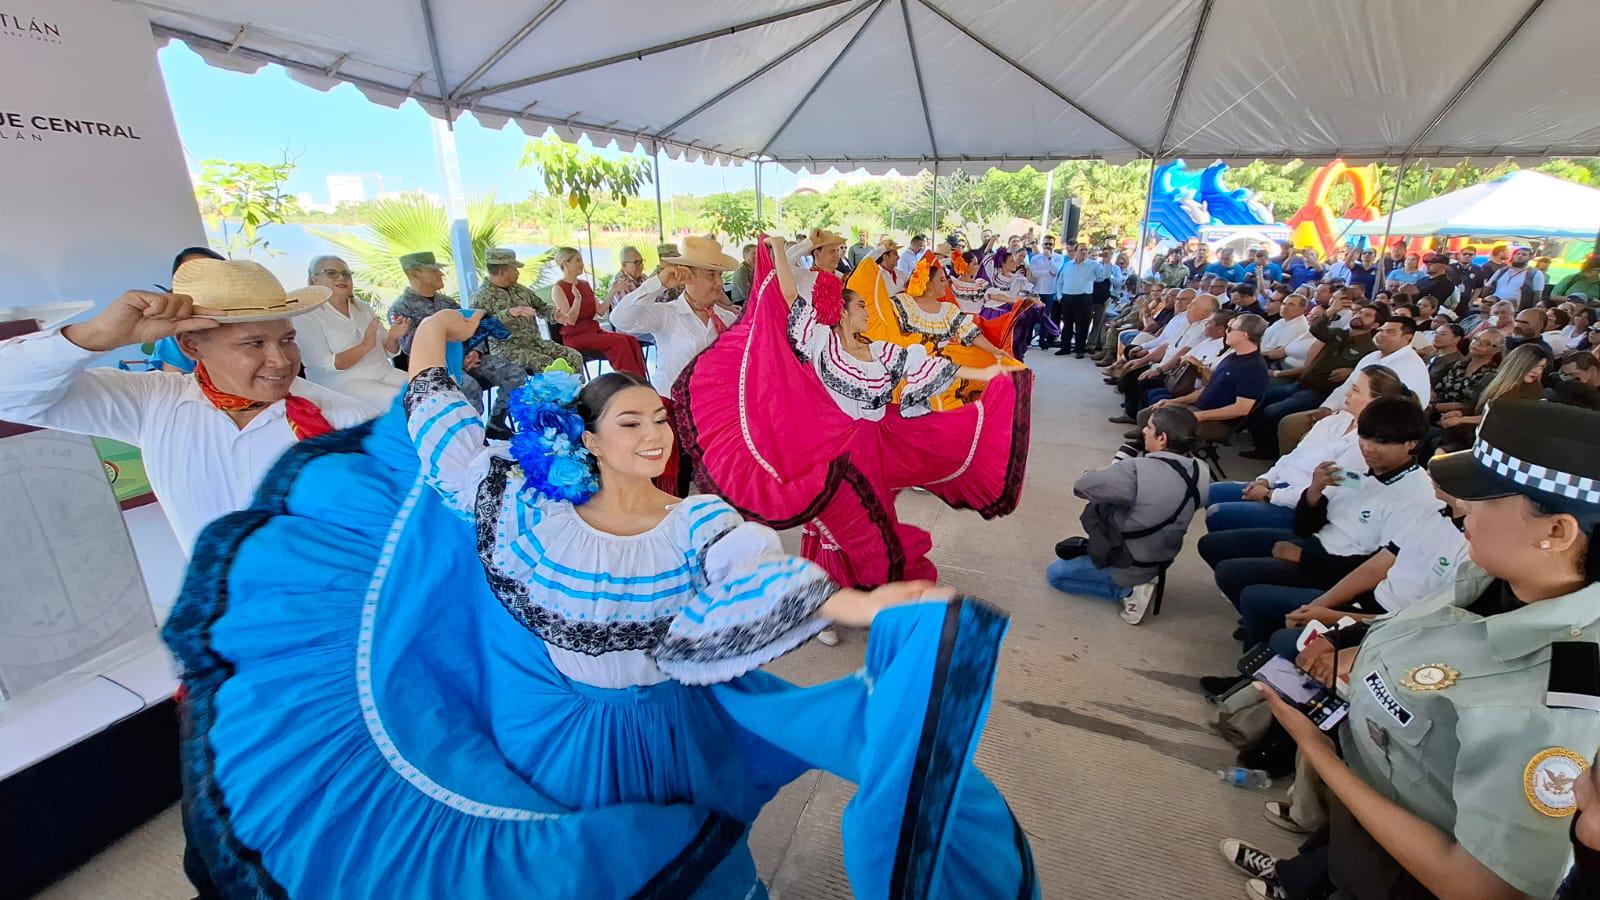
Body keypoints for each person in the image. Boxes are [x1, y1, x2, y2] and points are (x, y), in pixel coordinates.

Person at [164, 301, 1039, 898]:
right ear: (585, 436)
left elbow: (754, 575)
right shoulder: (526, 504)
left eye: (661, 420)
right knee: (579, 860)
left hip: (668, 721)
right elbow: (437, 417)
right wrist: (435, 328)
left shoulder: (698, 521)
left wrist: (860, 607)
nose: (656, 435)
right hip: (560, 729)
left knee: (706, 855)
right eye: (633, 423)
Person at [1238, 400, 1600, 900]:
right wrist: (1350, 643)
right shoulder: (1493, 578)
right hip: (1369, 810)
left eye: (1484, 497)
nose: (1461, 506)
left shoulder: (1553, 698)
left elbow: (1482, 886)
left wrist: (1322, 755)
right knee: (1325, 868)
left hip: (1401, 872)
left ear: (1556, 531)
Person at [675, 237, 1030, 599]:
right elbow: (787, 296)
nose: (869, 311)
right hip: (833, 453)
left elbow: (941, 367)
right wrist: (780, 251)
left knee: (876, 527)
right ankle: (826, 598)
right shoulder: (820, 341)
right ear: (842, 312)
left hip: (876, 449)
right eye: (862, 305)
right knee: (837, 529)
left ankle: (860, 593)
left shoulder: (881, 351)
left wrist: (992, 376)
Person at [0, 259, 372, 554]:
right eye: (254, 344)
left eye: (287, 340)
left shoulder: (345, 419)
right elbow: (10, 393)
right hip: (219, 629)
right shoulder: (154, 404)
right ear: (193, 347)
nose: (280, 360)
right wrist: (97, 335)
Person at [1199, 395, 1438, 611]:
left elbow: (1378, 566)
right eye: (1364, 437)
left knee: (1235, 577)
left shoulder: (1414, 495)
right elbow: (1307, 525)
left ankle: (1271, 624)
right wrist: (1314, 490)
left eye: (1382, 441)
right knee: (1212, 544)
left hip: (1334, 570)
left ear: (1411, 444)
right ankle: (1260, 614)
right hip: (1314, 543)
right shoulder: (1361, 474)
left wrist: (1303, 558)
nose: (1368, 447)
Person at [1048, 405, 1209, 625]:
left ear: (1162, 438)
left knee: (1056, 575)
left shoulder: (1137, 470)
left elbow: (1083, 486)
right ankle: (1137, 582)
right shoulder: (1201, 469)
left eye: (1149, 427)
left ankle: (1128, 592)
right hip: (1163, 555)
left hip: (1129, 562)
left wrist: (1116, 467)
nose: (1143, 431)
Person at [1206, 366, 1411, 534]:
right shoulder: (1336, 420)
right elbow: (1294, 456)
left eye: (1356, 389)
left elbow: (1328, 491)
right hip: (1278, 485)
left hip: (1300, 507)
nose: (1347, 392)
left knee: (1219, 513)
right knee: (1207, 492)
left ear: (1376, 401)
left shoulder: (1369, 447)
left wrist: (1270, 495)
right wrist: (1265, 479)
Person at [854, 248, 1018, 412]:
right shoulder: (902, 302)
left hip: (944, 366)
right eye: (941, 280)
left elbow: (971, 334)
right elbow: (882, 317)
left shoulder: (948, 309)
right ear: (928, 283)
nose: (946, 284)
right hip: (912, 370)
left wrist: (994, 350)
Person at [388, 251, 525, 419]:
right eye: (433, 270)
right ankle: (471, 438)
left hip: (468, 358)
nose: (441, 273)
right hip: (437, 369)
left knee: (515, 373)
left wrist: (476, 351)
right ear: (413, 273)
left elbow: (473, 328)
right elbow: (412, 348)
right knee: (469, 387)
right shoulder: (401, 309)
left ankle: (497, 422)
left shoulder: (447, 303)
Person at [295, 255, 408, 412]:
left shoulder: (363, 307)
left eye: (346, 273)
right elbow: (327, 365)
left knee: (434, 391)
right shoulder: (305, 314)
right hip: (342, 382)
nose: (342, 277)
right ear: (315, 279)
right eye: (331, 273)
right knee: (407, 403)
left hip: (384, 372)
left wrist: (394, 337)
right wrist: (366, 345)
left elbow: (389, 351)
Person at [1135, 314, 1270, 441]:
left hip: (1216, 422)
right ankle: (1145, 443)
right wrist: (1175, 401)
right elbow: (1209, 388)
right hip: (1199, 409)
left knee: (1159, 423)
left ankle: (1148, 449)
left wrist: (1199, 416)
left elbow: (1242, 408)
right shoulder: (1232, 357)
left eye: (1230, 329)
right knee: (1147, 414)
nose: (1226, 332)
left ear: (1244, 335)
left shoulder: (1254, 368)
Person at [469, 247, 585, 376]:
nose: (518, 272)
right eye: (514, 269)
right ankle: (554, 395)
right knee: (547, 364)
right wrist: (510, 313)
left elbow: (541, 306)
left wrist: (554, 314)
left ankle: (578, 394)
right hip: (507, 349)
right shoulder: (481, 297)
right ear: (503, 271)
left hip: (535, 343)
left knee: (574, 356)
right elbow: (477, 327)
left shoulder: (520, 290)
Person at [549, 246, 649, 379]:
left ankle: (642, 381)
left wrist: (613, 291)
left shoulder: (584, 284)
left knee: (630, 340)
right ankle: (629, 382)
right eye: (577, 260)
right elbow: (569, 320)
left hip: (594, 330)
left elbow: (600, 311)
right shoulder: (558, 288)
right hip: (575, 336)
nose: (582, 264)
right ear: (566, 263)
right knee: (619, 343)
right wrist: (577, 300)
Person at [1437, 342, 1549, 451]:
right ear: (1519, 364)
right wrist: (1459, 413)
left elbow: (1504, 418)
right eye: (1533, 366)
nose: (1537, 371)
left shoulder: (1534, 391)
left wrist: (1462, 420)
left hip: (1501, 442)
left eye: (1541, 367)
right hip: (1475, 433)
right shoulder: (1490, 378)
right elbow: (1475, 406)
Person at [148, 246, 226, 373]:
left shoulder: (255, 317)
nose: (202, 280)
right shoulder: (174, 333)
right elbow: (176, 385)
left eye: (209, 271)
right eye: (191, 274)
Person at [1054, 243, 1108, 358]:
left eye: (1086, 250)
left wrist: (1107, 262)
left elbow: (1102, 277)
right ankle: (1065, 347)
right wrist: (1059, 296)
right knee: (1067, 324)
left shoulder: (1094, 265)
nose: (1083, 252)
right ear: (1076, 251)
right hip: (1067, 297)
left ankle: (1080, 350)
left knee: (1082, 325)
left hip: (1084, 298)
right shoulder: (1068, 265)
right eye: (1081, 249)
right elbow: (1060, 281)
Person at [1481, 246, 1547, 309]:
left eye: (1524, 254)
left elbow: (1537, 295)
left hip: (1516, 310)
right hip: (1495, 307)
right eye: (1517, 254)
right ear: (1513, 255)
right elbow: (1487, 287)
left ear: (1530, 258)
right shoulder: (1502, 271)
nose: (1520, 256)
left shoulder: (1535, 274)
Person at [1028, 235, 1063, 348]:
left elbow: (1055, 271)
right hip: (1036, 291)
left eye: (1050, 244)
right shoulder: (1035, 258)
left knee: (1046, 317)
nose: (1048, 246)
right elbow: (1035, 274)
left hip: (1049, 291)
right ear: (1042, 244)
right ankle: (1027, 339)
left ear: (1054, 245)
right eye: (1046, 244)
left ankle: (1042, 341)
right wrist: (1048, 272)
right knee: (1031, 317)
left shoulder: (1058, 257)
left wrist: (1049, 259)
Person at [1260, 292, 1310, 369]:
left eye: (1291, 305)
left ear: (1303, 308)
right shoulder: (1282, 320)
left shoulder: (1300, 327)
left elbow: (1277, 354)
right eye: (1283, 304)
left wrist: (1254, 354)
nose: (1285, 307)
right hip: (1261, 355)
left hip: (1271, 363)